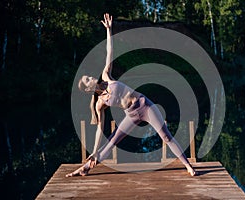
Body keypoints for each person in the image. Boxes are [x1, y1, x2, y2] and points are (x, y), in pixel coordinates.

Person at [66, 13, 197, 177]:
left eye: (88, 76)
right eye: (87, 80)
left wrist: (109, 30)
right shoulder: (100, 103)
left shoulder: (106, 76)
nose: (90, 77)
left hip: (145, 105)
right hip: (132, 115)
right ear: (87, 89)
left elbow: (109, 51)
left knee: (165, 136)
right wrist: (93, 151)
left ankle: (188, 166)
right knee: (111, 141)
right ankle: (85, 168)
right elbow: (100, 129)